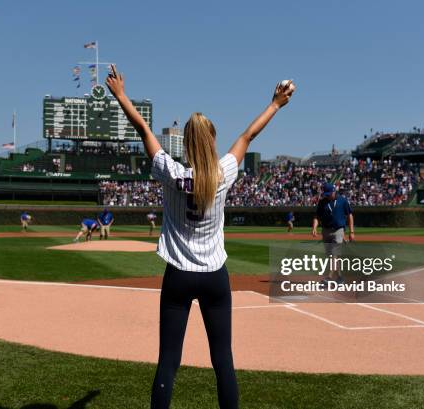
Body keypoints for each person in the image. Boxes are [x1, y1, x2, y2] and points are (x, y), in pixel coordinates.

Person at [105, 65, 294, 409]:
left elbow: (142, 127)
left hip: (178, 276)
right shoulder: (223, 173)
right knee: (223, 360)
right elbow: (248, 137)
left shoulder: (171, 172)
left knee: (168, 361)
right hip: (214, 277)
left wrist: (120, 96)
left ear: (186, 142)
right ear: (212, 140)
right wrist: (276, 104)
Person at [312, 183, 354, 283]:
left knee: (335, 253)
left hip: (338, 230)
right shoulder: (323, 202)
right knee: (331, 255)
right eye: (326, 194)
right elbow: (317, 216)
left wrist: (351, 231)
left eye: (329, 193)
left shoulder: (342, 201)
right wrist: (314, 227)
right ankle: (340, 277)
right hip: (326, 231)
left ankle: (329, 277)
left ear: (334, 191)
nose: (327, 196)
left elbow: (350, 215)